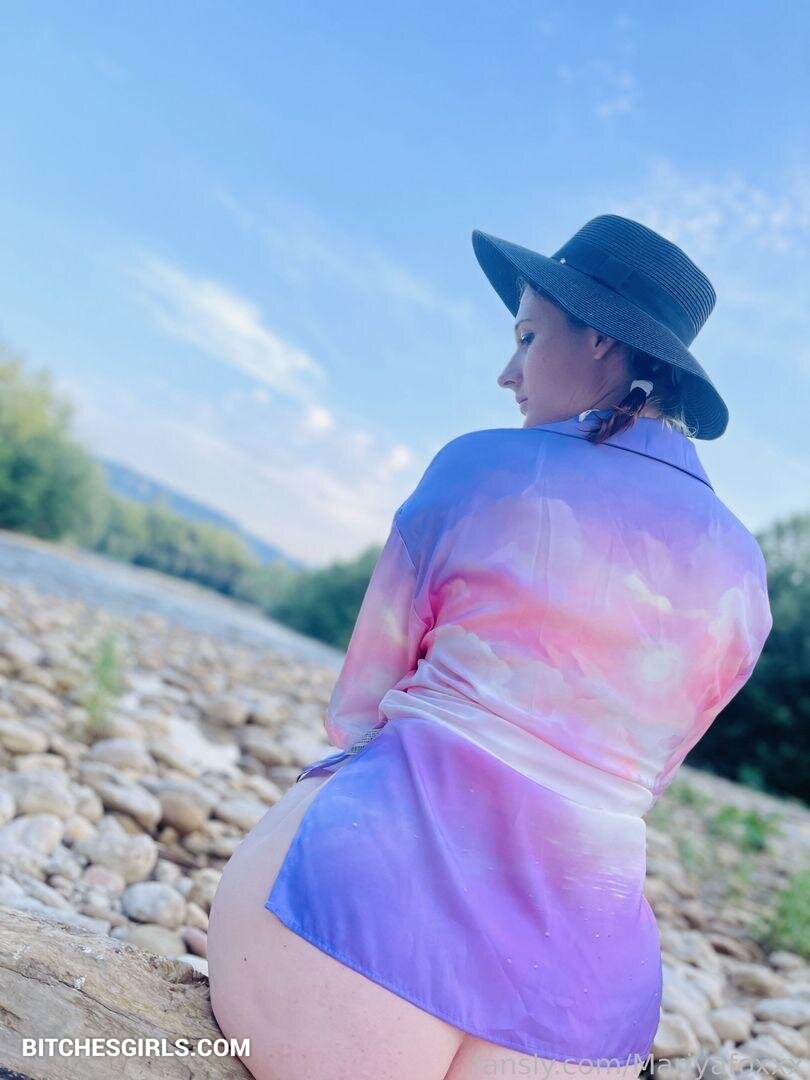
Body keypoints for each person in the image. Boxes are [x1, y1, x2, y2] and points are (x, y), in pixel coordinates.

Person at [207, 215, 773, 1080]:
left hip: (349, 923)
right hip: (583, 1014)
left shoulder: (478, 469)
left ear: (599, 338)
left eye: (527, 336)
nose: (507, 371)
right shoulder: (745, 575)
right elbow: (644, 778)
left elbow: (359, 708)